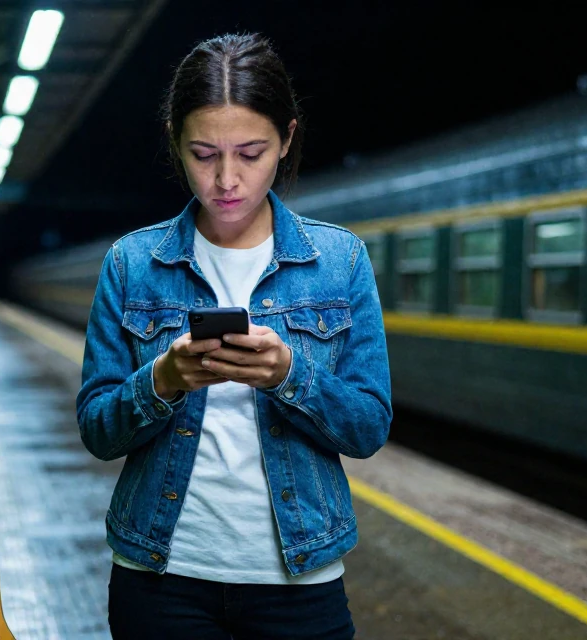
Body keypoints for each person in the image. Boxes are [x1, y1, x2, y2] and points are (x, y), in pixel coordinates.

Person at [76, 32, 392, 639]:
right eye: (203, 154)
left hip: (301, 584)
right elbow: (97, 431)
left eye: (251, 153)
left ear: (287, 139)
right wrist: (162, 381)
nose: (226, 179)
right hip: (160, 579)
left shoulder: (340, 261)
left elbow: (368, 428)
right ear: (174, 140)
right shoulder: (131, 264)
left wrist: (289, 376)